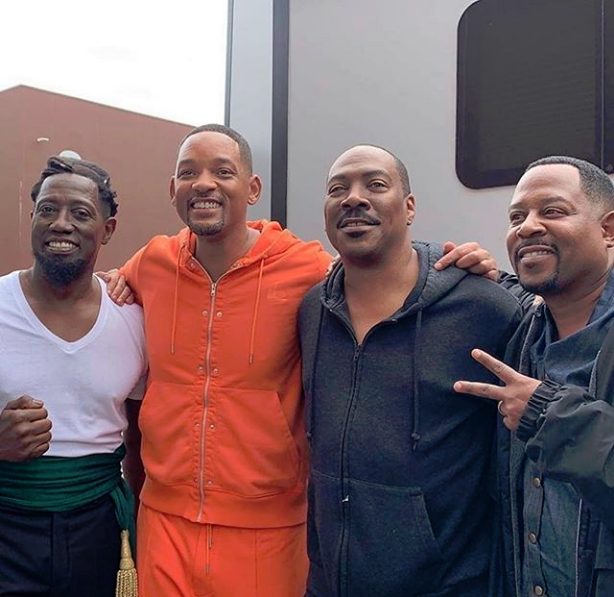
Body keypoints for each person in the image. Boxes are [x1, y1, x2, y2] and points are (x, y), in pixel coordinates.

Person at [111, 124, 331, 597]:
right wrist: (114, 282)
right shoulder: (151, 262)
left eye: (223, 172)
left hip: (270, 530)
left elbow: (380, 275)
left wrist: (448, 263)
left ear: (252, 189)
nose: (204, 183)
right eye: (189, 172)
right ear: (173, 189)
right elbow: (104, 290)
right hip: (164, 523)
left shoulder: (306, 267)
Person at [298, 144, 522, 597]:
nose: (353, 198)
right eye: (337, 189)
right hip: (328, 585)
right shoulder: (311, 310)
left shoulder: (483, 307)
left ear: (410, 207)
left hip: (448, 586)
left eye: (375, 185)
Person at [454, 156, 614, 597]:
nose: (527, 227)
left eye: (552, 211)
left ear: (608, 230)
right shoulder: (523, 334)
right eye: (516, 217)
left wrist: (546, 414)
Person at [0, 156, 147, 597]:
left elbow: (141, 438)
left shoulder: (133, 318)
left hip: (99, 528)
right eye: (48, 209)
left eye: (80, 213)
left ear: (108, 229)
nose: (61, 223)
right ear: (32, 217)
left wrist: (142, 521)